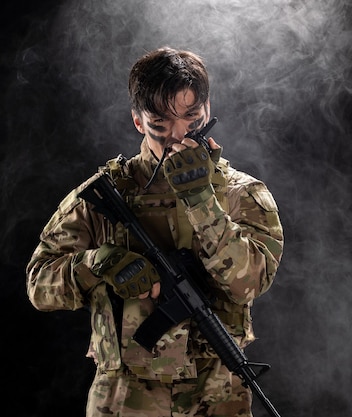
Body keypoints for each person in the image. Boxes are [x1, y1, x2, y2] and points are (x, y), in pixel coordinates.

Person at [26, 46, 284, 417]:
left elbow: (250, 283)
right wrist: (99, 263)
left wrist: (201, 201)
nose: (178, 135)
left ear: (207, 110)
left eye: (191, 118)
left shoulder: (241, 194)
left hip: (217, 396)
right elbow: (38, 284)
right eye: (160, 124)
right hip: (125, 398)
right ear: (137, 121)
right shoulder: (107, 193)